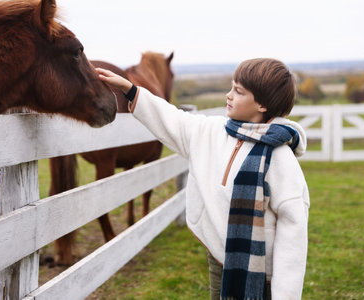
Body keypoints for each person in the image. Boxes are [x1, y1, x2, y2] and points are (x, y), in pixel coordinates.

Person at [96, 58, 309, 300]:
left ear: (261, 104)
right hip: (219, 256)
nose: (229, 95)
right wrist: (131, 90)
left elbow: (293, 232)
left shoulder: (280, 158)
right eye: (231, 87)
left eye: (238, 91)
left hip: (265, 272)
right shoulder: (214, 132)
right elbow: (175, 120)